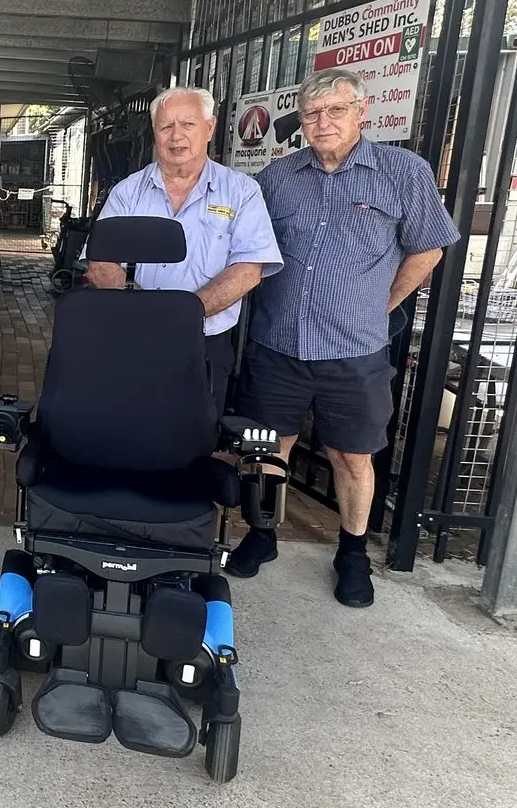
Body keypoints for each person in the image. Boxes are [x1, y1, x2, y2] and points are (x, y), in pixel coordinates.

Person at [228, 68, 460, 607]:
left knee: (352, 457)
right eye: (312, 113)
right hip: (277, 344)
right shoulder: (278, 178)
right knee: (267, 450)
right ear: (301, 121)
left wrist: (381, 306)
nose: (322, 121)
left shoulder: (403, 172)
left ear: (363, 112)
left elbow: (428, 248)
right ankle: (262, 535)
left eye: (336, 109)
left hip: (356, 353)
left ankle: (352, 552)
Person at [84, 86, 283, 417]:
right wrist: (144, 315)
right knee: (126, 428)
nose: (176, 136)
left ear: (209, 128)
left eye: (188, 124)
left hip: (204, 344)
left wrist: (182, 316)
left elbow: (249, 270)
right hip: (133, 337)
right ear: (154, 134)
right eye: (166, 126)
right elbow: (101, 262)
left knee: (193, 439)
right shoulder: (127, 192)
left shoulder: (242, 193)